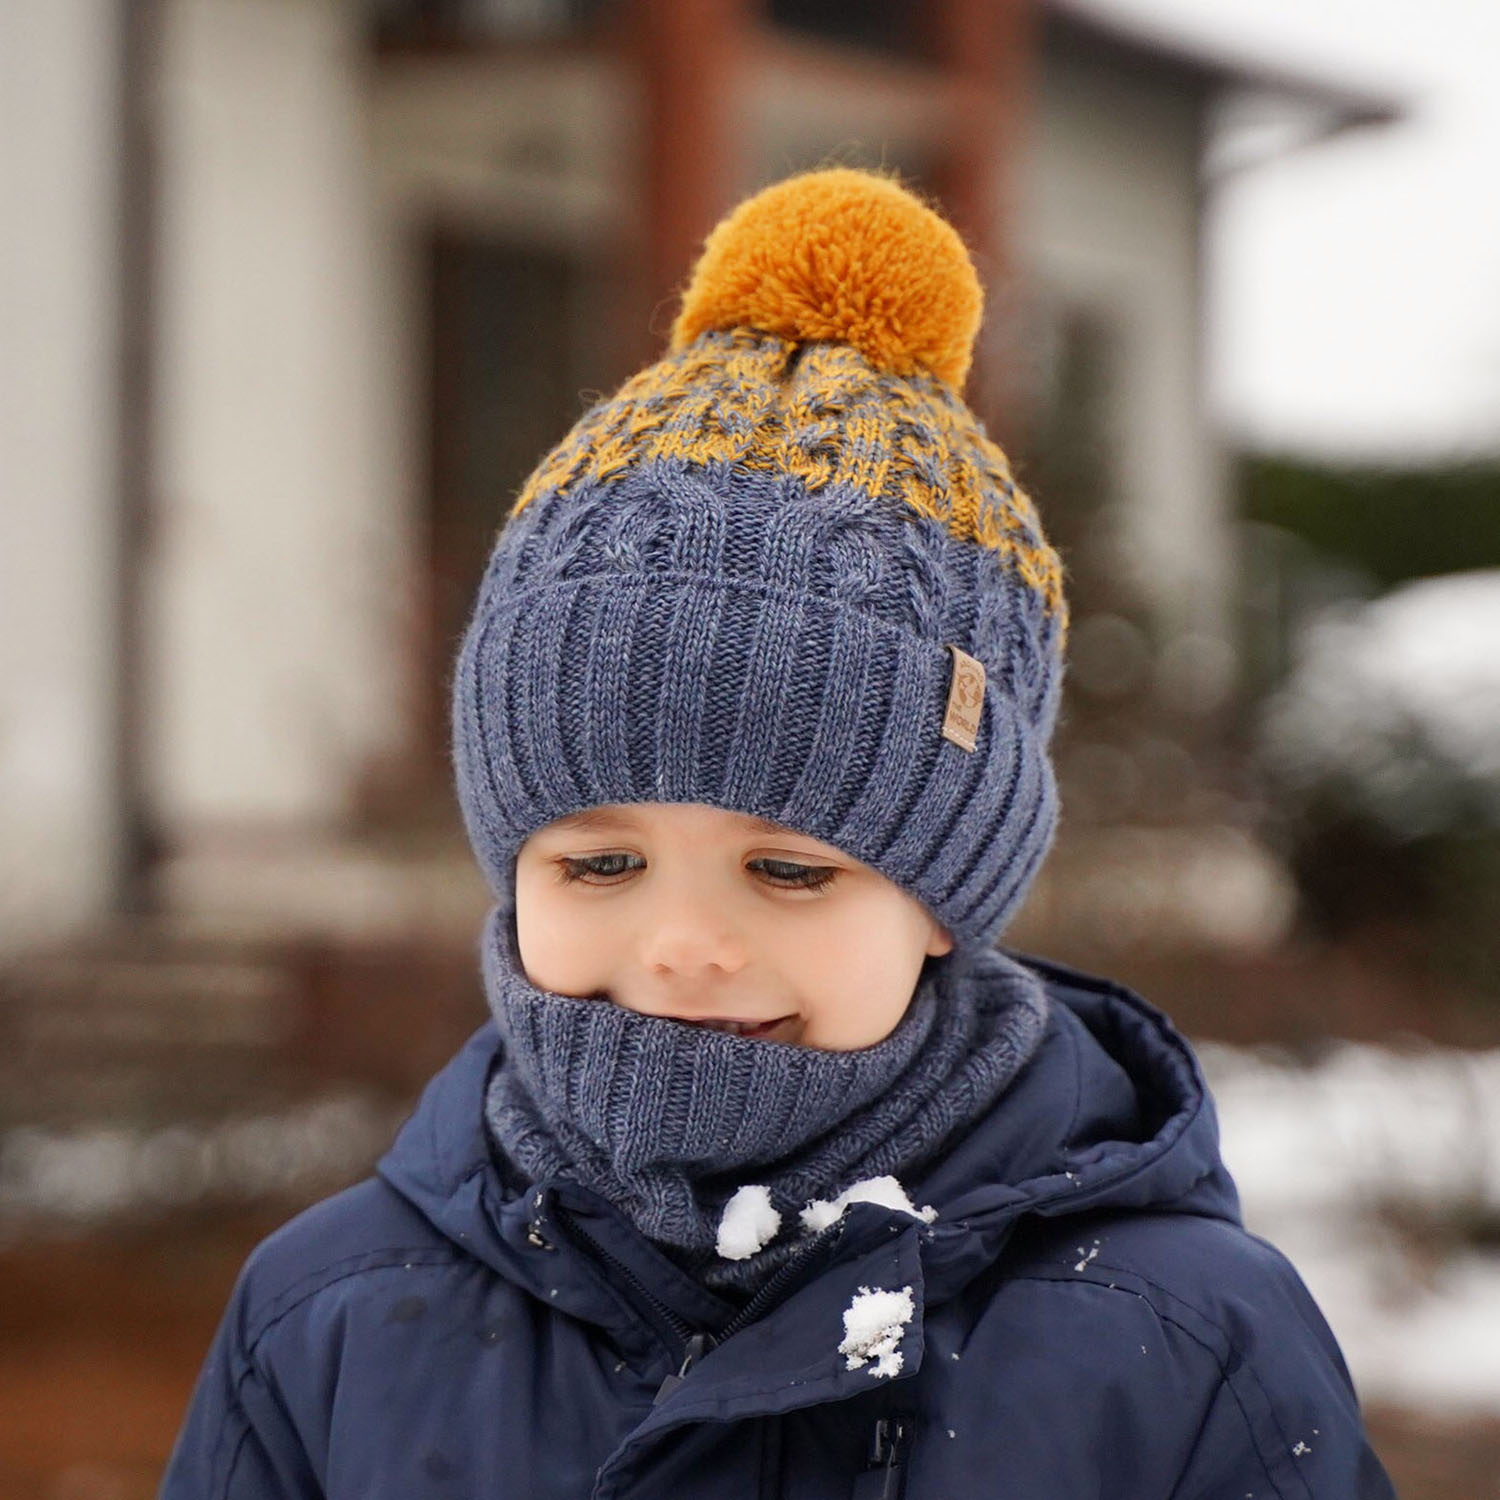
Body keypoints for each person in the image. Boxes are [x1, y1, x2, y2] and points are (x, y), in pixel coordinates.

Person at [160, 168, 1395, 1499]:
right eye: (600, 863)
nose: (684, 945)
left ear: (945, 893)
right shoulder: (328, 1319)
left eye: (790, 869)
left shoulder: (1182, 1344)